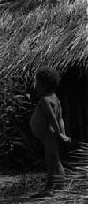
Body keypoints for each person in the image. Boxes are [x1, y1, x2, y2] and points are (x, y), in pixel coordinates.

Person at [29, 67, 71, 195]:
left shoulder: (45, 101)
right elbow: (60, 118)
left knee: (54, 161)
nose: (35, 85)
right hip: (51, 134)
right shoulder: (56, 99)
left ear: (43, 85)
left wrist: (59, 134)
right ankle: (53, 187)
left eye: (37, 83)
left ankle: (56, 187)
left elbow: (53, 118)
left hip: (49, 134)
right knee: (52, 160)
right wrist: (62, 133)